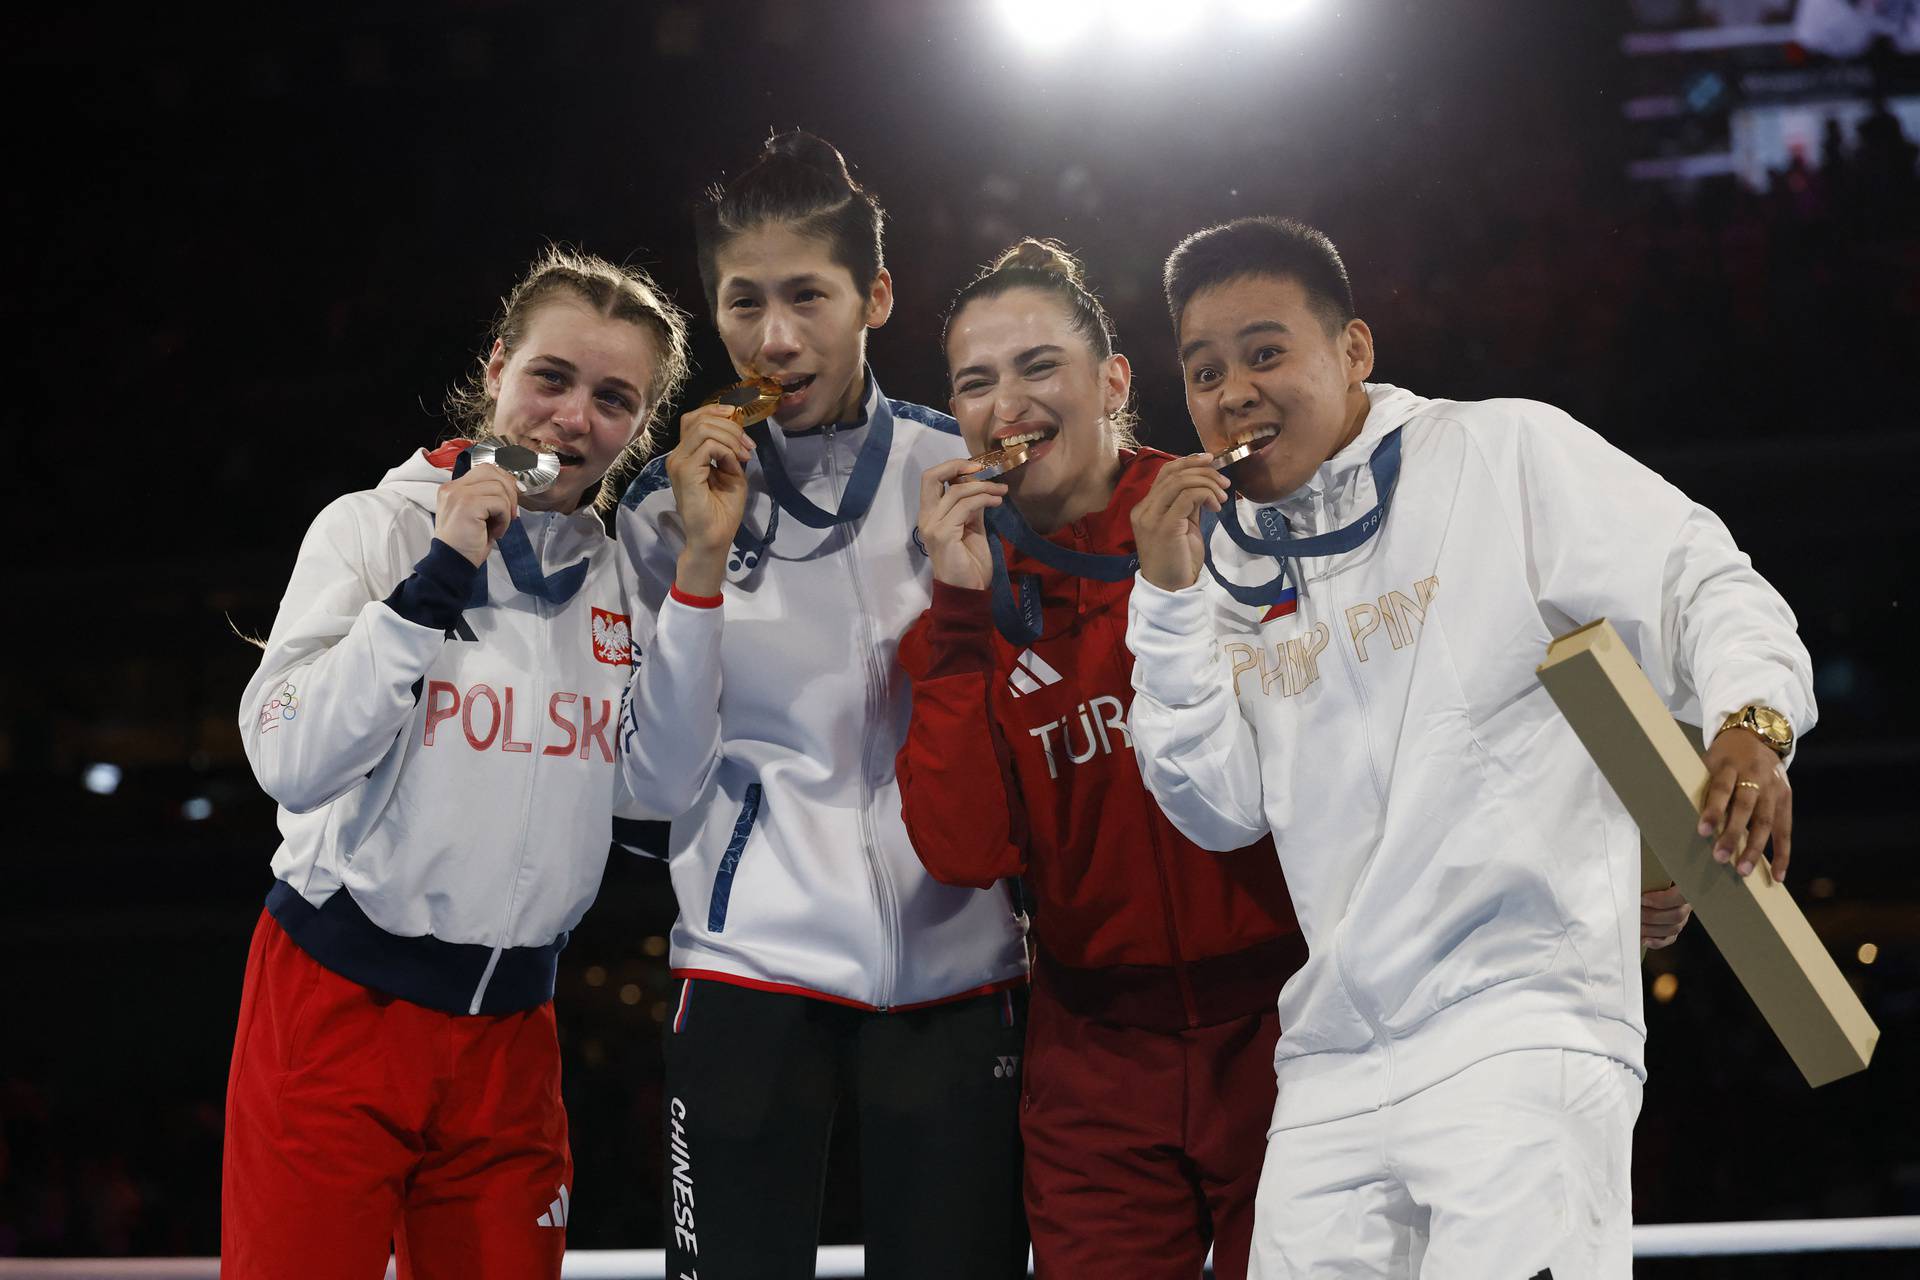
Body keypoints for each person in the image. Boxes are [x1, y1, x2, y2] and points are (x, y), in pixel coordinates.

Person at [1124, 216, 1782, 1278]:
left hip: (1520, 1026)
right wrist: (1164, 599)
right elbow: (1217, 805)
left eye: (1264, 351)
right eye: (1203, 371)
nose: (1232, 390)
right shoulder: (1218, 566)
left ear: (1354, 351)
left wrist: (1754, 722)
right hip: (1331, 1060)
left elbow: (1700, 577)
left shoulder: (1500, 450)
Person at [224, 247, 691, 1278]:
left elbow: (653, 790)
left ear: (639, 426)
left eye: (615, 398)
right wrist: (434, 582)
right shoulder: (370, 528)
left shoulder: (623, 584)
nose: (574, 418)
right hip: (338, 1010)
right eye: (551, 378)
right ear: (495, 369)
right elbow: (288, 753)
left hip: (512, 1033)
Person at [615, 131, 1029, 1280]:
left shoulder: (966, 473)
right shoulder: (662, 508)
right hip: (746, 972)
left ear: (876, 296)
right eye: (743, 303)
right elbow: (650, 788)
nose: (776, 337)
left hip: (958, 969)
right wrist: (701, 561)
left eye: (808, 295)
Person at [896, 238, 1305, 1279]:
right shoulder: (962, 595)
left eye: (1039, 367)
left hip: (1290, 1024)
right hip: (1093, 1060)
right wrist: (952, 613)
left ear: (1112, 380)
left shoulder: (1229, 518)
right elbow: (962, 847)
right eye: (976, 382)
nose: (1008, 403)